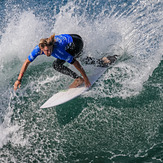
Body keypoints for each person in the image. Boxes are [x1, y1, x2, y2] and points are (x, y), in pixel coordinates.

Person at [14, 34, 117, 91]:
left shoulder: (57, 50)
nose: (48, 53)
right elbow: (26, 63)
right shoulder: (37, 49)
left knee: (57, 64)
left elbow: (75, 64)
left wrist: (86, 79)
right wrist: (19, 79)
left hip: (76, 43)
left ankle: (78, 79)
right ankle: (103, 61)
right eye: (46, 51)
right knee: (79, 58)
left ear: (52, 46)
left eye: (49, 50)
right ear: (41, 48)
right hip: (73, 37)